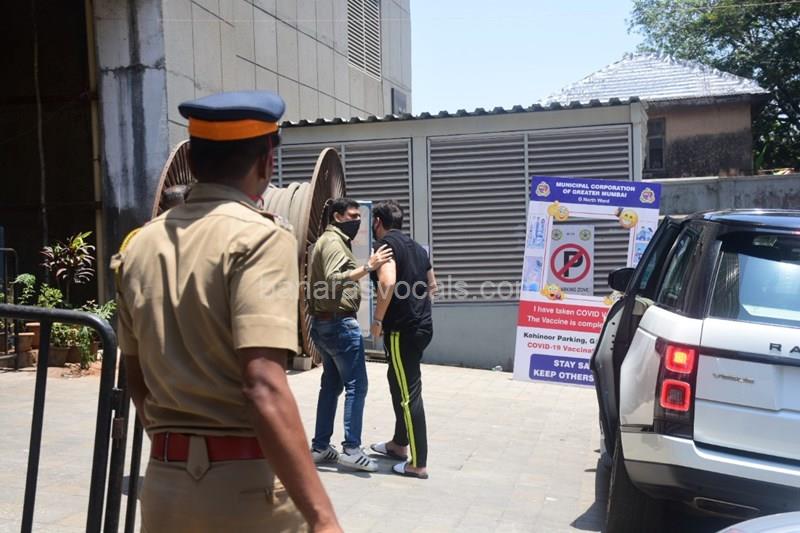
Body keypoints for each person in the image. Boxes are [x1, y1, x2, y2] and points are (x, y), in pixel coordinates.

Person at [112, 91, 341, 533]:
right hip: (247, 492)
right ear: (266, 162)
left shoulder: (139, 245)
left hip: (163, 487)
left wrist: (180, 451)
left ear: (193, 162)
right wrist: (323, 517)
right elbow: (263, 386)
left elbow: (135, 376)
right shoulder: (260, 239)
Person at [308, 198, 392, 472]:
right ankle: (352, 449)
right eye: (352, 216)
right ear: (337, 216)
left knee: (331, 386)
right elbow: (333, 279)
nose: (357, 221)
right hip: (339, 324)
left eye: (359, 216)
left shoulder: (328, 240)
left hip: (326, 323)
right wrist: (368, 266)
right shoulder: (334, 242)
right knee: (357, 385)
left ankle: (321, 447)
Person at [368, 200, 436, 479]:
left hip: (401, 331)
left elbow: (387, 282)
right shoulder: (417, 248)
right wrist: (418, 309)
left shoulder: (385, 247)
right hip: (421, 327)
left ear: (377, 222)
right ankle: (398, 444)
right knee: (397, 382)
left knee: (409, 394)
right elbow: (432, 284)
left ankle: (418, 463)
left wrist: (378, 320)